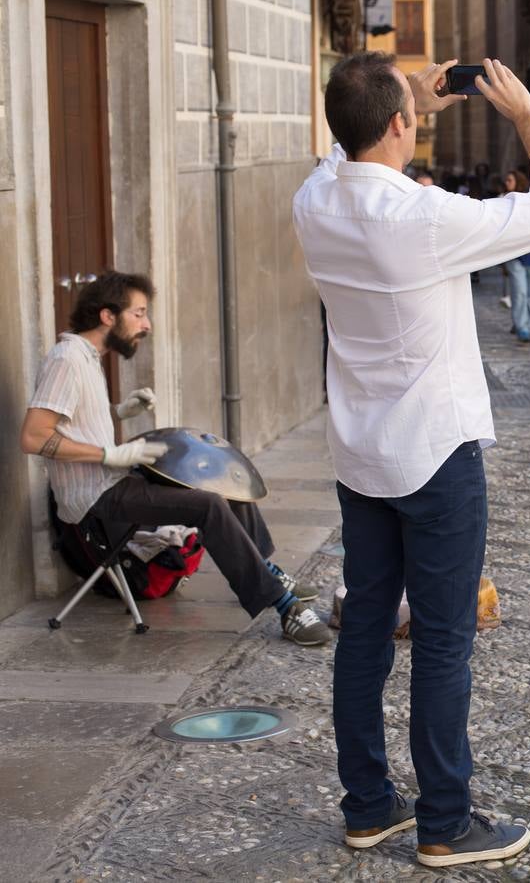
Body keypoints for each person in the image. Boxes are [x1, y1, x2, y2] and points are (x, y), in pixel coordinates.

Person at [292, 53, 530, 866]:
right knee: (446, 641)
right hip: (435, 452)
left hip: (361, 453)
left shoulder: (315, 203)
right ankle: (447, 822)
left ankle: (368, 807)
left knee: (366, 633)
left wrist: (397, 105)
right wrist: (523, 113)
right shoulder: (424, 218)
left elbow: (335, 160)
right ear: (399, 127)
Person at [18, 272, 330, 647]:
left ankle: (265, 569)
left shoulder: (86, 357)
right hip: (96, 496)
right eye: (139, 313)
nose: (146, 324)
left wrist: (120, 411)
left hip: (114, 480)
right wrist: (107, 453)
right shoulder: (67, 359)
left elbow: (74, 422)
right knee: (208, 507)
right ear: (107, 316)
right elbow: (34, 436)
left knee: (218, 478)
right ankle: (284, 605)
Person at [501, 170, 530, 344]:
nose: (506, 183)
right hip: (515, 253)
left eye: (510, 180)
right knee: (520, 292)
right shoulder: (505, 201)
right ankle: (522, 327)